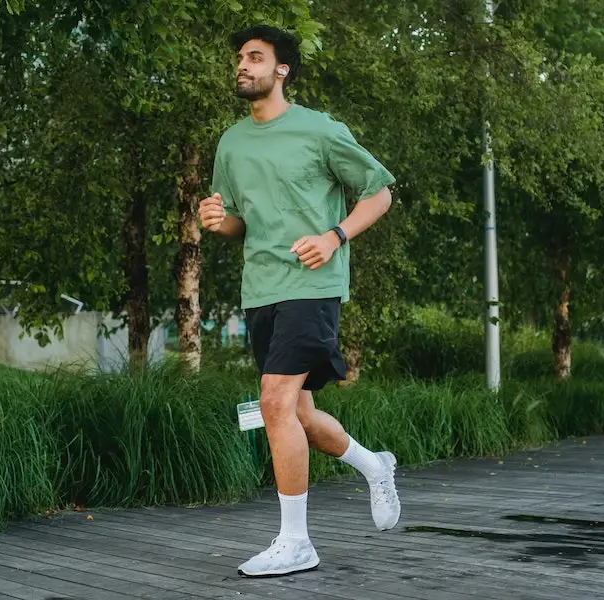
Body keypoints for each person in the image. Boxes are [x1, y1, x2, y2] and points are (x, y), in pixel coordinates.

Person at [197, 25, 402, 578]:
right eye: (239, 57)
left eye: (254, 57)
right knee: (301, 416)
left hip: (314, 287)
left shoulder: (321, 131)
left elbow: (379, 193)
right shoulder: (231, 143)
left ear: (281, 70)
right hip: (260, 288)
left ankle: (296, 542)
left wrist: (334, 236)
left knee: (273, 403)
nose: (242, 65)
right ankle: (374, 465)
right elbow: (239, 222)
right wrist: (216, 223)